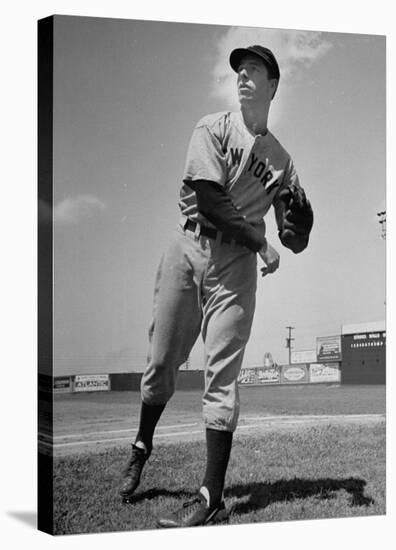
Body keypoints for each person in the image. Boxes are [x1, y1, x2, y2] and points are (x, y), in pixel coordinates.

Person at [120, 44, 313, 528]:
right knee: (162, 363)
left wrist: (302, 222)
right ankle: (141, 447)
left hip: (236, 268)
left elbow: (293, 238)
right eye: (240, 70)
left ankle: (211, 496)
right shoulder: (213, 127)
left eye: (255, 70)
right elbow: (207, 199)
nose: (244, 76)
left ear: (273, 86)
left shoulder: (283, 161)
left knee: (221, 373)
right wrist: (260, 240)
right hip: (189, 248)